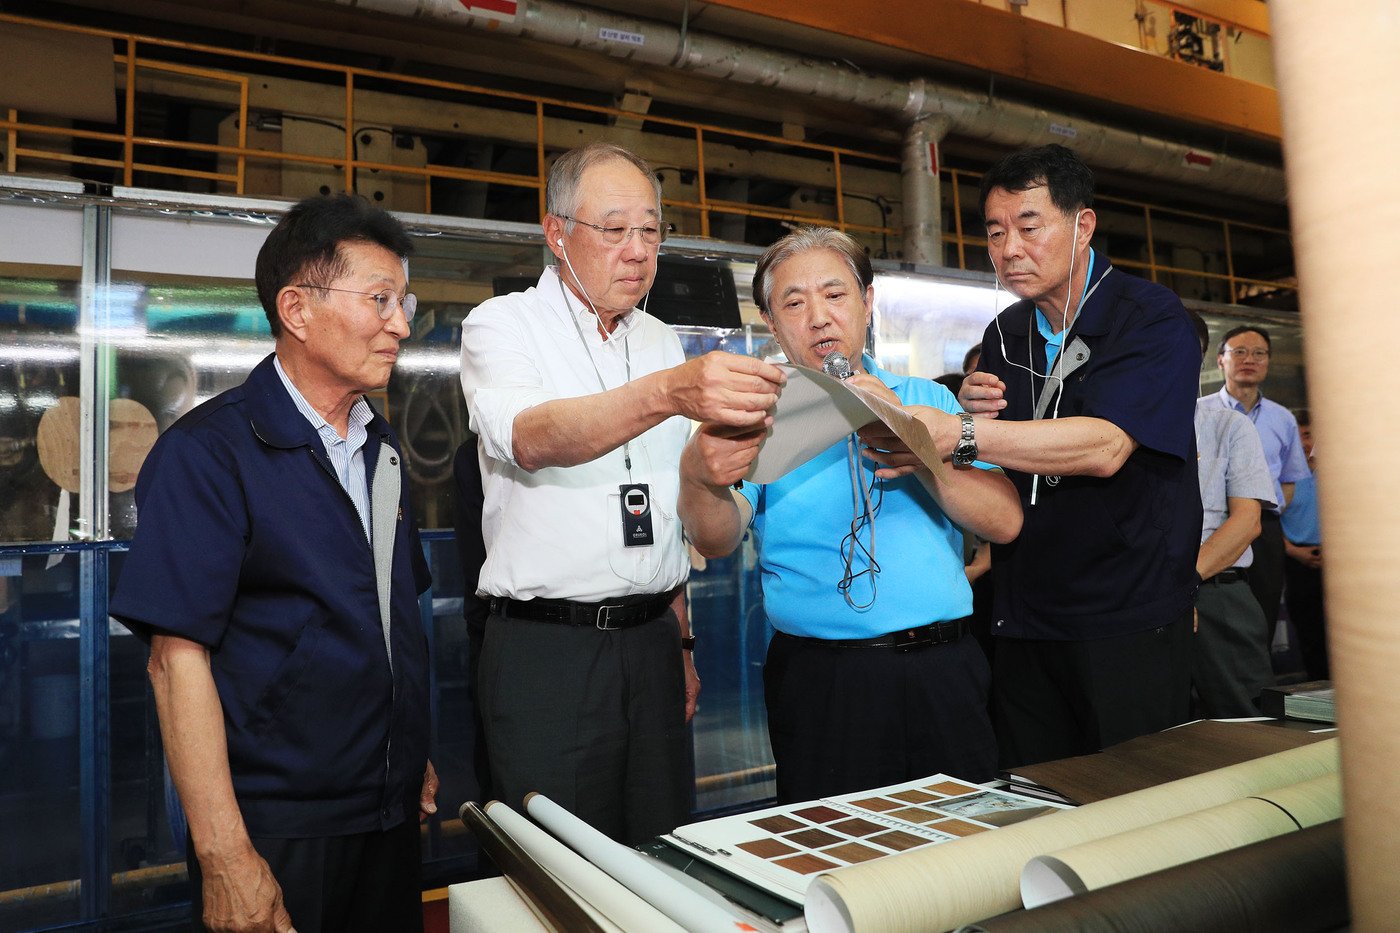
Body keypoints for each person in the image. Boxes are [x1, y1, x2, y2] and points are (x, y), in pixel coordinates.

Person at [111, 194, 437, 933]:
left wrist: (407, 751)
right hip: (277, 826)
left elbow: (393, 618)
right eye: (380, 299)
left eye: (404, 299)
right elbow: (175, 660)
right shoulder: (210, 454)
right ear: (297, 307)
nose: (402, 323)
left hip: (385, 812)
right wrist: (226, 856)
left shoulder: (381, 450)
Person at [458, 141, 785, 844]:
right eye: (614, 230)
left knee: (660, 851)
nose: (637, 250)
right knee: (562, 869)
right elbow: (533, 436)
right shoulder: (504, 325)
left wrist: (684, 641)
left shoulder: (663, 339)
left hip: (653, 646)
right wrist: (670, 393)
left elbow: (661, 510)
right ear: (557, 233)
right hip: (550, 651)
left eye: (651, 230)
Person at [678, 227, 1021, 803]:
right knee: (839, 856)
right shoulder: (756, 420)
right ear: (770, 321)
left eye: (835, 295)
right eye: (794, 302)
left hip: (945, 668)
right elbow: (717, 540)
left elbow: (1004, 522)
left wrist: (916, 443)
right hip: (823, 680)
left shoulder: (931, 401)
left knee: (964, 849)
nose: (818, 318)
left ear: (866, 303)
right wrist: (696, 477)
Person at [949, 144, 1201, 768]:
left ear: (1082, 225)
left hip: (1126, 614)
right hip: (1024, 612)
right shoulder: (1004, 334)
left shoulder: (1150, 318)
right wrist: (968, 411)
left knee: (1136, 804)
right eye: (996, 232)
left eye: (1029, 227)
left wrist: (959, 434)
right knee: (1039, 798)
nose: (1010, 249)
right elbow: (1002, 458)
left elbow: (1107, 446)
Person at [1187, 312, 1277, 717]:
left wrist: (1180, 584)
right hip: (1137, 600)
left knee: (1245, 723)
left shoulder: (1227, 426)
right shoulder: (1109, 429)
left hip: (1216, 594)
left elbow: (1247, 521)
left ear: (1200, 356)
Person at [1197, 326, 1310, 647]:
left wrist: (1268, 511)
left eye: (1259, 353)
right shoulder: (1200, 411)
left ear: (1268, 363)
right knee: (1214, 618)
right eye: (1239, 352)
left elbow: (1290, 478)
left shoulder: (1283, 419)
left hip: (1266, 528)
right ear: (1220, 361)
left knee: (1263, 612)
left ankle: (1258, 688)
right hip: (1213, 526)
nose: (1250, 359)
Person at [1282, 410, 1327, 679]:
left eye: (1308, 435)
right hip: (1295, 561)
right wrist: (1295, 552)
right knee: (1309, 637)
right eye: (1296, 437)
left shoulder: (1335, 475)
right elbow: (1268, 524)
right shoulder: (1284, 479)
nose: (1302, 443)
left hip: (1336, 563)